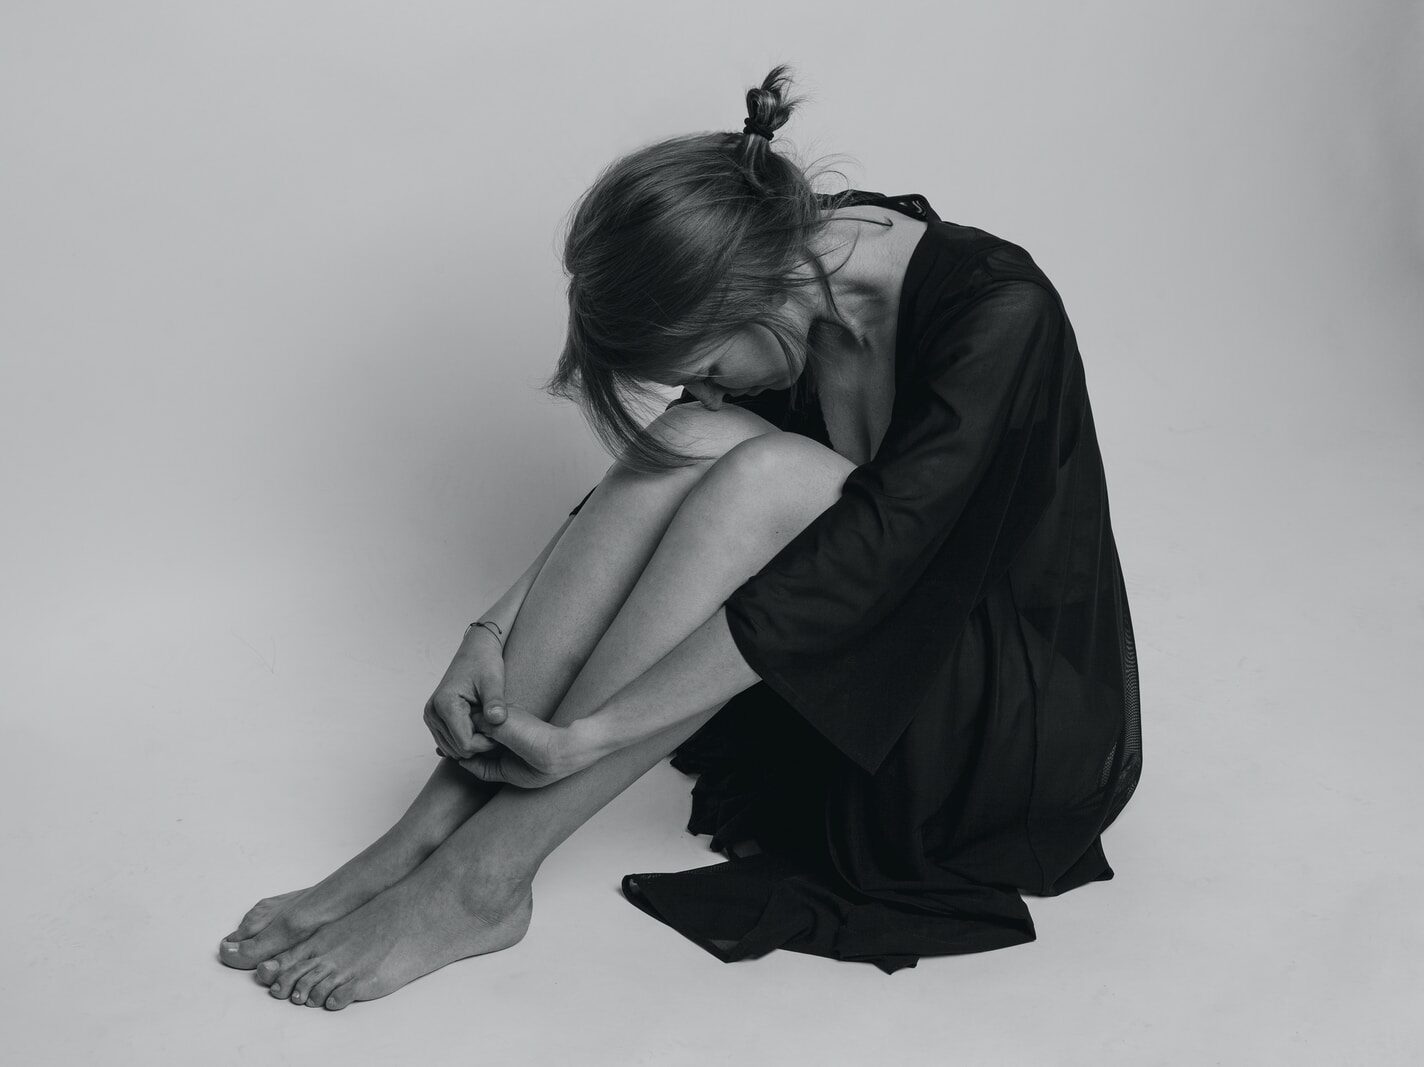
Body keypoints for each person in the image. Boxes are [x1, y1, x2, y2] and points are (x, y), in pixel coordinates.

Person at [217, 64, 1142, 1010]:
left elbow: (873, 558)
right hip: (827, 669)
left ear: (751, 295)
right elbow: (679, 455)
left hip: (973, 718)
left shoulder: (1000, 309)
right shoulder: (787, 254)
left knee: (774, 473)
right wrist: (488, 630)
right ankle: (423, 834)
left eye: (704, 362)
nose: (715, 384)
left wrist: (598, 733)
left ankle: (482, 880)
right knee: (700, 436)